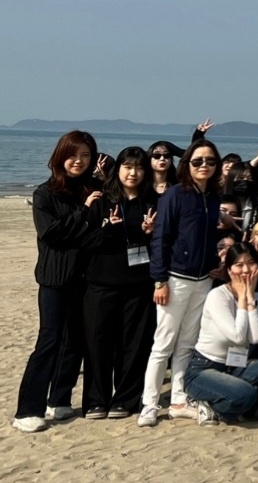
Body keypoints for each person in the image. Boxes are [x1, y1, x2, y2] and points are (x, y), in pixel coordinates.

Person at [13, 131, 101, 433]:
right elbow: (50, 234)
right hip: (54, 277)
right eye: (73, 154)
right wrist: (83, 212)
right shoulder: (45, 193)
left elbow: (92, 231)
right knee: (49, 340)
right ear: (60, 156)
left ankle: (59, 399)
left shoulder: (94, 189)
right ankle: (27, 410)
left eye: (86, 155)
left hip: (85, 276)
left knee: (75, 340)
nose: (79, 161)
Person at [140, 139, 229, 427]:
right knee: (163, 343)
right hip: (175, 279)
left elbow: (208, 235)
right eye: (198, 161)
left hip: (203, 280)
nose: (204, 166)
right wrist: (159, 280)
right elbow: (161, 238)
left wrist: (215, 262)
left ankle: (178, 400)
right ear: (187, 163)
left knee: (187, 344)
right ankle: (149, 404)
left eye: (210, 161)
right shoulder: (175, 194)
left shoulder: (213, 197)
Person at [81, 147, 158, 421]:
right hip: (101, 283)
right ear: (118, 170)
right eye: (127, 166)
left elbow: (161, 244)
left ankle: (125, 399)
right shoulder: (102, 200)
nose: (133, 173)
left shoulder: (153, 202)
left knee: (133, 344)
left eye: (138, 167)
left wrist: (150, 233)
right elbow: (85, 242)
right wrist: (108, 230)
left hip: (138, 284)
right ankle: (96, 400)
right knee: (97, 342)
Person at [183, 243, 258, 426]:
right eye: (239, 265)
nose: (246, 270)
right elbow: (238, 337)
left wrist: (250, 298)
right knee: (246, 394)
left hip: (235, 367)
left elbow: (256, 337)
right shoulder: (217, 296)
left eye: (251, 263)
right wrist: (242, 299)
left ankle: (230, 407)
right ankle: (205, 403)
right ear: (229, 270)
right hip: (204, 368)